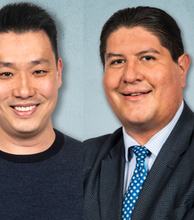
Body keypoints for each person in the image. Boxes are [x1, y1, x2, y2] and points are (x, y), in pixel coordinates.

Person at [83, 6, 194, 220]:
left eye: (147, 58)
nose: (130, 76)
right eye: (117, 61)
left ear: (181, 68)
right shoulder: (80, 160)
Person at [0, 2, 82, 219]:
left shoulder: (96, 169)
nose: (24, 91)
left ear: (59, 72)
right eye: (6, 74)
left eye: (39, 71)